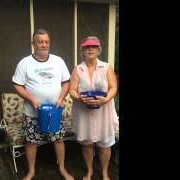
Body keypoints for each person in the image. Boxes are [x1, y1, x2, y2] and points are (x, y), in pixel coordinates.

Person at [12, 29, 74, 180]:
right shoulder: (24, 63)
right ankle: (31, 171)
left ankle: (62, 169)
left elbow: (66, 82)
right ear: (33, 44)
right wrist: (31, 99)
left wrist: (61, 98)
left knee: (58, 140)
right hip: (32, 113)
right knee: (31, 142)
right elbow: (17, 85)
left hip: (55, 111)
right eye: (40, 42)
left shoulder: (58, 61)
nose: (44, 45)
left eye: (46, 42)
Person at [69, 36, 119, 180]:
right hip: (83, 112)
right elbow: (72, 90)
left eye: (93, 47)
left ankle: (104, 173)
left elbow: (113, 87)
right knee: (87, 144)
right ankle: (89, 171)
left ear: (98, 50)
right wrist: (79, 98)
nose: (90, 49)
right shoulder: (78, 69)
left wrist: (107, 98)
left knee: (105, 144)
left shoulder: (107, 67)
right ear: (82, 51)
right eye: (86, 47)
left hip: (104, 112)